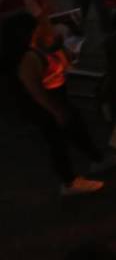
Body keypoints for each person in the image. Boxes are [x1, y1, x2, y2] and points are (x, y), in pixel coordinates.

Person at [4, 12, 105, 195]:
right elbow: (35, 90)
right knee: (56, 140)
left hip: (59, 99)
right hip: (46, 104)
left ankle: (97, 159)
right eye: (37, 26)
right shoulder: (28, 58)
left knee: (76, 126)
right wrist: (55, 111)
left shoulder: (42, 46)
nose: (45, 26)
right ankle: (69, 182)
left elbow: (65, 65)